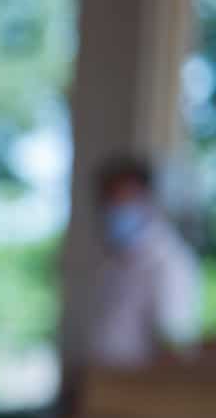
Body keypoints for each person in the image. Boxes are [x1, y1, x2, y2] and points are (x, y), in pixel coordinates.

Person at [82, 155, 202, 370]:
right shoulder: (115, 261)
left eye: (122, 197)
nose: (113, 207)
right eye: (108, 199)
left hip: (138, 393)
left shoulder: (169, 261)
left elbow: (173, 344)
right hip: (104, 385)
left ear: (147, 199)